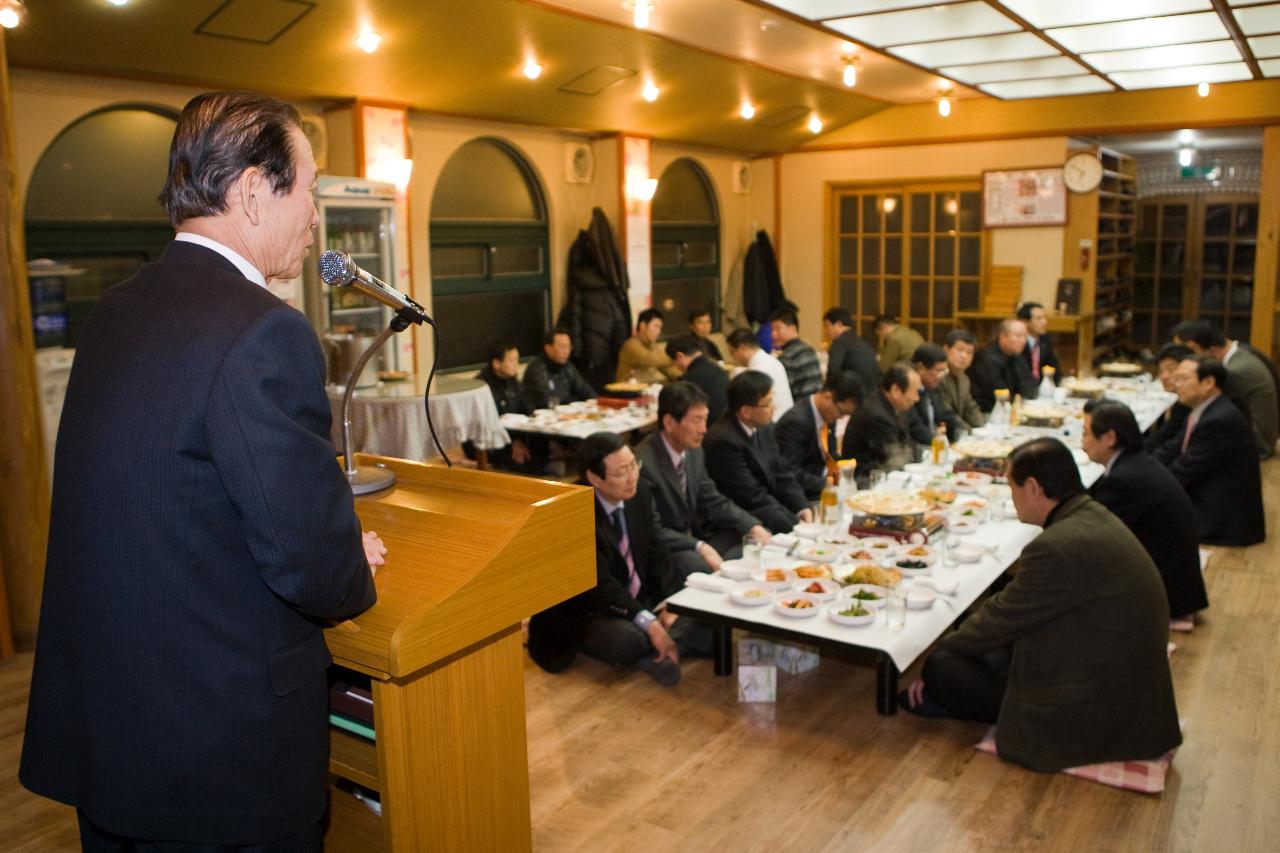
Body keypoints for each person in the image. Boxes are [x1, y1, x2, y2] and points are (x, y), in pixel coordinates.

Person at [20, 91, 383, 851]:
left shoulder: (114, 313)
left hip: (114, 739)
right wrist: (352, 552)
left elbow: (165, 507)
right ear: (254, 193)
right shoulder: (263, 334)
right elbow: (315, 566)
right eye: (309, 188)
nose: (315, 214)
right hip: (220, 765)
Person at [903, 438, 1181, 773]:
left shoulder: (1055, 547)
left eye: (1012, 487)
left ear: (1033, 488)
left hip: (1098, 701)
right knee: (986, 638)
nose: (1011, 497)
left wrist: (932, 652)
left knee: (943, 666)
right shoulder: (1089, 514)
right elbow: (1009, 610)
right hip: (1120, 675)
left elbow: (1001, 618)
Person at [526, 432, 711, 685]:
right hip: (590, 609)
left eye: (634, 465)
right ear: (594, 478)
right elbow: (601, 585)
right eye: (622, 472)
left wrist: (671, 603)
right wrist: (652, 624)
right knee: (626, 639)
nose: (632, 477)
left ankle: (659, 650)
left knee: (692, 588)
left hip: (634, 593)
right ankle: (668, 644)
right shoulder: (573, 513)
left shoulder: (640, 492)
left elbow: (656, 549)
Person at [1082, 400, 1209, 624]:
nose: (1082, 443)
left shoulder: (1124, 479)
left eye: (1086, 434)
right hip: (1175, 576)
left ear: (1109, 438)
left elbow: (1095, 539)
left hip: (1164, 592)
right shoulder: (1136, 463)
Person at [636, 382, 771, 577]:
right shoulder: (645, 463)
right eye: (697, 420)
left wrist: (752, 526)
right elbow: (653, 530)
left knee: (751, 539)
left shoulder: (694, 451)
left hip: (697, 535)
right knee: (696, 564)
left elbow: (712, 499)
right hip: (667, 547)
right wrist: (699, 546)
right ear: (669, 423)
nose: (704, 429)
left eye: (705, 419)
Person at [1153, 356, 1265, 546]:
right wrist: (1142, 468)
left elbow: (1184, 471)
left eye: (1182, 379)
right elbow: (1171, 448)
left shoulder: (1220, 420)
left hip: (1222, 518)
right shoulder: (1205, 409)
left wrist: (1143, 484)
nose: (1175, 384)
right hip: (1207, 495)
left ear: (1208, 383)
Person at [704, 370, 813, 534]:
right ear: (746, 411)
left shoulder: (765, 426)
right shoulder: (723, 440)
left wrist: (801, 506)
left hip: (768, 505)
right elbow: (751, 495)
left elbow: (781, 472)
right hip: (744, 516)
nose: (774, 407)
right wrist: (796, 525)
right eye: (768, 403)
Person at [1174, 321, 1277, 459]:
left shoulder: (1234, 370)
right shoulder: (1240, 353)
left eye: (1193, 354)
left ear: (1209, 350)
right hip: (1264, 435)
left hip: (1258, 442)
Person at [776, 371, 862, 501]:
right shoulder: (796, 422)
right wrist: (829, 484)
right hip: (801, 495)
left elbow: (831, 455)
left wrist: (843, 472)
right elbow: (791, 473)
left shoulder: (828, 416)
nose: (840, 418)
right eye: (841, 412)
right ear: (827, 397)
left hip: (825, 485)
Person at [843, 364, 921, 479]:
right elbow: (894, 457)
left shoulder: (894, 405)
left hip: (884, 471)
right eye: (915, 392)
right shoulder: (877, 414)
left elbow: (906, 442)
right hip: (865, 479)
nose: (917, 398)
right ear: (896, 390)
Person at [470, 338, 534, 469]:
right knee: (525, 460)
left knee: (540, 447)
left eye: (517, 359)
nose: (516, 364)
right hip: (486, 442)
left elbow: (528, 408)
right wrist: (514, 442)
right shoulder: (481, 386)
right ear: (496, 363)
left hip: (513, 435)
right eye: (511, 360)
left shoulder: (512, 381)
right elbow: (491, 422)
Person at [969, 318, 1038, 411]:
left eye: (1025, 336)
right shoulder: (988, 359)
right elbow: (1000, 395)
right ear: (1003, 337)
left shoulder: (1016, 354)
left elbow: (1030, 384)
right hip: (989, 411)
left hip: (1012, 407)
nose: (1023, 341)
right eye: (1018, 336)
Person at [726, 327, 793, 420]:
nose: (733, 358)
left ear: (742, 348)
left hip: (774, 424)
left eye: (732, 352)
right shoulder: (772, 360)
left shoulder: (757, 371)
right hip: (787, 418)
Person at [523, 326, 596, 409]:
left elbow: (584, 389)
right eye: (562, 347)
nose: (566, 351)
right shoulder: (537, 369)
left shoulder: (568, 366)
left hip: (568, 413)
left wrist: (596, 401)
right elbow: (546, 401)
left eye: (568, 347)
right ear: (548, 348)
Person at [907, 343, 964, 445]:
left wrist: (961, 431)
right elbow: (915, 427)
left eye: (944, 371)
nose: (940, 376)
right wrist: (935, 437)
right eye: (938, 371)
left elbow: (947, 414)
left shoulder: (933, 387)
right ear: (921, 367)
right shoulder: (908, 391)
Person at [666, 334, 728, 423]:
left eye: (673, 361)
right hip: (727, 424)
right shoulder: (716, 367)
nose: (675, 366)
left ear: (680, 356)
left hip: (710, 431)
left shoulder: (689, 380)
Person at [1145, 342, 1192, 454]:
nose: (1164, 377)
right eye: (1161, 371)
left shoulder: (1187, 405)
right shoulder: (1177, 402)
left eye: (1171, 369)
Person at [823, 306, 880, 395]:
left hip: (854, 395)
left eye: (827, 326)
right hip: (872, 393)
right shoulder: (861, 342)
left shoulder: (840, 342)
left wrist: (825, 392)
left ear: (839, 324)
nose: (826, 331)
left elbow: (833, 372)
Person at [616, 307, 679, 385]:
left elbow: (667, 368)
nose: (659, 331)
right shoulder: (630, 345)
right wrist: (677, 358)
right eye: (656, 326)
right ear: (643, 325)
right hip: (630, 394)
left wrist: (685, 377)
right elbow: (653, 360)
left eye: (660, 328)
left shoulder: (653, 346)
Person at [769, 307, 822, 399]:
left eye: (777, 329)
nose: (773, 334)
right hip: (814, 405)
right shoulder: (809, 348)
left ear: (793, 328)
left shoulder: (787, 356)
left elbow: (781, 392)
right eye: (772, 330)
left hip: (798, 408)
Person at [940, 328, 986, 429]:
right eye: (960, 350)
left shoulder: (964, 379)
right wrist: (969, 432)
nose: (964, 356)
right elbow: (946, 413)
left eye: (969, 352)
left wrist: (985, 429)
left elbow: (971, 409)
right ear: (946, 349)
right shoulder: (938, 376)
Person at [1016, 301, 1060, 385]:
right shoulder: (1017, 343)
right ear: (1025, 322)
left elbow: (1055, 369)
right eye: (1039, 318)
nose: (1044, 322)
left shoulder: (1045, 340)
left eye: (1044, 318)